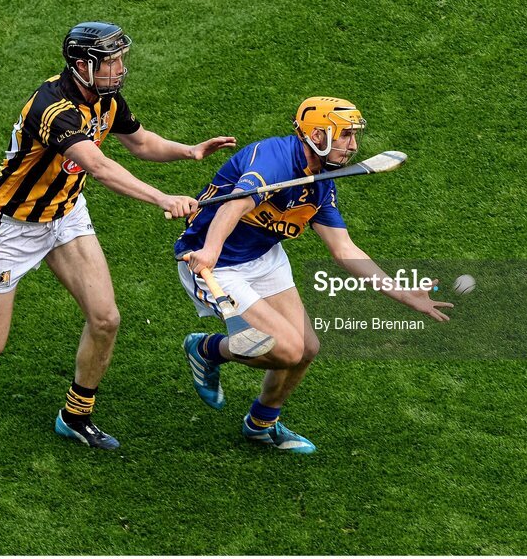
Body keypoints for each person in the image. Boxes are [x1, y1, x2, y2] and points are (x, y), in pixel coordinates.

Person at [0, 21, 236, 449]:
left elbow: (141, 142)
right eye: (110, 61)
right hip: (12, 225)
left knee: (106, 318)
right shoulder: (53, 109)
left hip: (66, 215)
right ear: (81, 66)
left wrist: (188, 150)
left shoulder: (105, 98)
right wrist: (161, 198)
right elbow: (98, 166)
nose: (120, 69)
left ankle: (75, 415)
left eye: (120, 59)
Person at [176, 96, 452, 453]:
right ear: (318, 134)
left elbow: (344, 250)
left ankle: (262, 424)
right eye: (345, 135)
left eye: (354, 136)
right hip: (215, 260)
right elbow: (235, 205)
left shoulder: (321, 180)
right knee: (287, 350)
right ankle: (207, 349)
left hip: (263, 255)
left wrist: (402, 293)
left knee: (307, 348)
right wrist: (211, 252)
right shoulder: (274, 160)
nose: (353, 145)